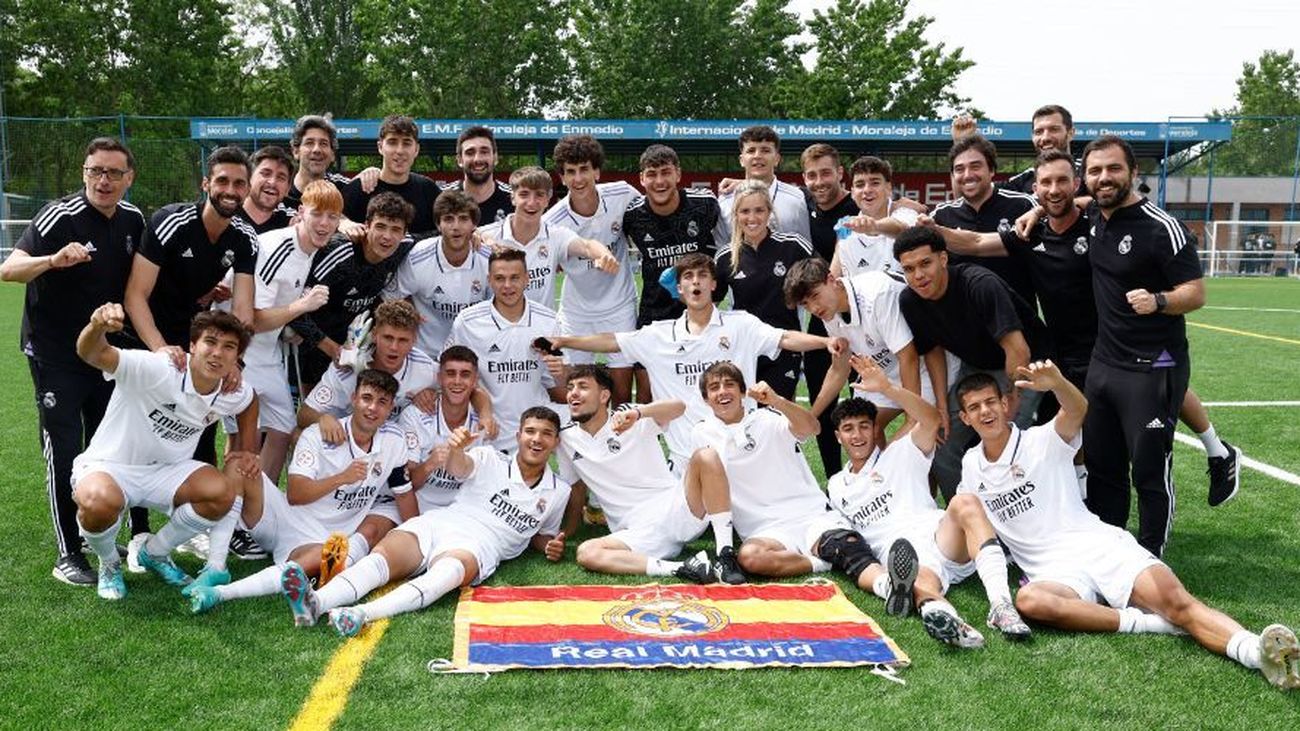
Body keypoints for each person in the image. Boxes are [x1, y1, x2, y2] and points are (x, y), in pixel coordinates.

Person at [956, 363, 1299, 691]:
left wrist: (1058, 384)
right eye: (974, 407)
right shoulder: (971, 467)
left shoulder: (1040, 440)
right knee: (1030, 601)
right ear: (965, 418)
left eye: (990, 402)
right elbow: (963, 522)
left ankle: (1257, 652)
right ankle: (1151, 624)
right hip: (1053, 573)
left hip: (1098, 546)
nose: (985, 412)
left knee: (1180, 605)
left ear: (1005, 404)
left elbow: (1076, 410)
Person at [928, 149, 1240, 507]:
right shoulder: (1032, 232)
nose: (1054, 187)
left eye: (1063, 180)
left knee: (1135, 435)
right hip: (1060, 348)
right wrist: (930, 230)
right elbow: (979, 243)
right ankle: (1078, 504)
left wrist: (1158, 299)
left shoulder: (1097, 217)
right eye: (1045, 183)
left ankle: (1212, 454)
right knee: (1071, 432)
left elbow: (1109, 194)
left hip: (1118, 346)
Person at [281, 407, 577, 636]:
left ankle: (362, 614)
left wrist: (549, 546)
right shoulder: (489, 457)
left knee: (443, 577)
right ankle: (315, 603)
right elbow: (459, 466)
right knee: (380, 559)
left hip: (481, 545)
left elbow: (541, 535)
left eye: (546, 433)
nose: (536, 439)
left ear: (555, 442)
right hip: (442, 521)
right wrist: (457, 449)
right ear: (519, 436)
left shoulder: (558, 491)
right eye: (530, 431)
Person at [547, 253, 843, 474]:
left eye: (702, 275)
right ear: (679, 288)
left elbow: (785, 339)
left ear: (713, 283)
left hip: (741, 453)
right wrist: (566, 341)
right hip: (686, 460)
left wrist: (824, 342)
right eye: (688, 277)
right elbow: (612, 340)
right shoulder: (658, 335)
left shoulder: (741, 325)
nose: (696, 281)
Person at [1, 137, 147, 585]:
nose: (103, 180)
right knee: (63, 446)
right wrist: (52, 259)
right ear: (84, 173)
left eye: (113, 173)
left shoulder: (134, 220)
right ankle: (68, 551)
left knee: (108, 448)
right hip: (55, 354)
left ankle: (96, 533)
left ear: (129, 178)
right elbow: (9, 270)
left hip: (105, 354)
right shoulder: (58, 216)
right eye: (94, 171)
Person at [825, 358, 1030, 647]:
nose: (857, 435)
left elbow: (931, 419)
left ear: (875, 430)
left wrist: (887, 388)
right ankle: (943, 614)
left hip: (941, 537)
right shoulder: (835, 486)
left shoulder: (901, 453)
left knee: (965, 502)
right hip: (902, 557)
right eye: (848, 429)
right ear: (838, 436)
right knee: (919, 580)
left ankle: (1001, 606)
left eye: (864, 427)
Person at [188, 369, 412, 614]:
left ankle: (221, 594)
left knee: (326, 555)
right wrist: (342, 478)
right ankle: (215, 567)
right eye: (367, 398)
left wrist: (418, 535)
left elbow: (403, 492)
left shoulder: (394, 441)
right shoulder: (318, 434)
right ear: (353, 399)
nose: (372, 408)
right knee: (238, 464)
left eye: (382, 402)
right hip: (284, 517)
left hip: (323, 539)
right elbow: (295, 494)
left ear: (391, 409)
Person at [72, 306, 258, 600]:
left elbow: (249, 402)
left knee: (221, 493)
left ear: (237, 359)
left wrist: (247, 450)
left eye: (229, 347)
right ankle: (109, 563)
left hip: (167, 471)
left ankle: (154, 553)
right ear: (192, 346)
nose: (217, 353)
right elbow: (91, 353)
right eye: (210, 342)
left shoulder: (231, 389)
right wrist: (96, 326)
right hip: (110, 466)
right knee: (97, 501)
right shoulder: (158, 368)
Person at [1078, 135, 1208, 556]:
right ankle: (1109, 550)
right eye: (1095, 171)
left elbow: (1196, 292)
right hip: (1104, 365)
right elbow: (1061, 203)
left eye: (1113, 168)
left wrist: (1159, 301)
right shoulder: (1095, 216)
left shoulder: (1161, 226)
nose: (1104, 178)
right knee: (1102, 467)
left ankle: (1152, 558)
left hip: (1154, 366)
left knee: (1149, 471)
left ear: (1134, 173)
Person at [122, 144, 260, 476]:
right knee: (142, 431)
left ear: (248, 189)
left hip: (194, 337)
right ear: (205, 184)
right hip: (145, 334)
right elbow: (136, 295)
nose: (230, 190)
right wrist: (159, 350)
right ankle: (139, 526)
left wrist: (235, 361)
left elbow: (243, 310)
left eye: (239, 184)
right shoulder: (172, 222)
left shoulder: (245, 239)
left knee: (199, 428)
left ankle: (198, 518)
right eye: (222, 181)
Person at [894, 226, 1051, 499]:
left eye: (925, 264)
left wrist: (1012, 399)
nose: (918, 276)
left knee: (1007, 439)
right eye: (908, 269)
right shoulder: (910, 299)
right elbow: (932, 349)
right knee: (943, 438)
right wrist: (942, 404)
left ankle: (1016, 516)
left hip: (1024, 365)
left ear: (943, 258)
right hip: (976, 366)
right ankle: (965, 512)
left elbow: (1018, 349)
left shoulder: (979, 283)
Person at [558, 365, 741, 583]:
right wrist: (564, 534)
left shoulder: (630, 416)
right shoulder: (566, 439)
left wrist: (638, 413)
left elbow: (678, 407)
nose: (573, 393)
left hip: (677, 509)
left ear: (604, 395)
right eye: (570, 388)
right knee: (587, 552)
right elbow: (576, 488)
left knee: (706, 456)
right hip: (637, 532)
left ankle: (725, 556)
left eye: (583, 387)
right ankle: (684, 568)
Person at [690, 364, 845, 587]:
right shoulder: (701, 432)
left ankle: (837, 552)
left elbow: (813, 428)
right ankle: (824, 563)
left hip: (807, 515)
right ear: (706, 399)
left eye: (730, 385)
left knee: (850, 544)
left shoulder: (769, 418)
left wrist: (777, 401)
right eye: (714, 387)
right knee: (751, 558)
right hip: (763, 531)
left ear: (743, 392)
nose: (722, 391)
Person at [233, 180, 341, 482]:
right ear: (301, 212)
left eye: (332, 217)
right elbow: (249, 319)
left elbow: (278, 307)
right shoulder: (276, 247)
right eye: (317, 214)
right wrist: (300, 307)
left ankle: (261, 509)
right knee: (245, 440)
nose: (324, 223)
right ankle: (232, 516)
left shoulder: (310, 250)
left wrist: (287, 328)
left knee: (282, 429)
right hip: (242, 353)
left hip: (269, 352)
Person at [783, 256, 951, 446]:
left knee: (910, 439)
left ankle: (883, 473)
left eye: (815, 296)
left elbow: (908, 357)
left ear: (831, 280)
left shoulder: (877, 294)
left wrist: (912, 419)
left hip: (925, 369)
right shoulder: (827, 309)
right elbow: (839, 370)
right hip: (884, 376)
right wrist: (811, 416)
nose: (813, 308)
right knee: (865, 430)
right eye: (805, 304)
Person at [542, 135, 640, 404]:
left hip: (619, 306)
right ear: (561, 177)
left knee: (620, 395)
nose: (578, 178)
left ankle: (620, 444)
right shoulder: (552, 222)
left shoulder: (623, 193)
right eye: (570, 172)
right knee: (579, 393)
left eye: (584, 169)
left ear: (596, 171)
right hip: (577, 313)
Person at [622, 144, 723, 402]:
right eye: (652, 174)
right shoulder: (632, 216)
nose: (659, 181)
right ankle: (647, 441)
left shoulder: (705, 205)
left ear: (678, 174)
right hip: (654, 311)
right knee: (646, 391)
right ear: (642, 178)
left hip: (698, 311)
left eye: (665, 172)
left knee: (703, 388)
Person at [290, 192, 416, 392]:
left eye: (395, 230)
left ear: (404, 234)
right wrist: (333, 349)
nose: (387, 237)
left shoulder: (405, 246)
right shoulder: (340, 253)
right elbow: (294, 310)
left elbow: (438, 237)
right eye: (380, 226)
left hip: (356, 344)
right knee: (310, 412)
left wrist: (477, 235)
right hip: (314, 344)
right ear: (366, 225)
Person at [445, 248, 565, 452]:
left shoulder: (548, 321)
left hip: (535, 428)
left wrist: (562, 372)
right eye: (500, 278)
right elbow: (454, 378)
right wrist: (484, 412)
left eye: (515, 278)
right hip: (490, 430)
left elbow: (557, 383)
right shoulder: (468, 322)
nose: (507, 286)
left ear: (527, 278)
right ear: (489, 280)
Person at [714, 179, 815, 398]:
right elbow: (708, 304)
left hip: (785, 344)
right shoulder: (725, 257)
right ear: (736, 215)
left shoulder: (793, 246)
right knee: (745, 415)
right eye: (745, 211)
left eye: (759, 210)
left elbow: (820, 280)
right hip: (743, 348)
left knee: (778, 415)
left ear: (769, 211)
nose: (752, 218)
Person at [477, 165, 618, 311]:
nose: (531, 202)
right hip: (499, 328)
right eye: (524, 194)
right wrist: (474, 236)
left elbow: (587, 246)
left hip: (542, 329)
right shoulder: (489, 234)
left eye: (539, 195)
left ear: (547, 199)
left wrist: (604, 254)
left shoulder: (556, 235)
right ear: (513, 198)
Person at [799, 143, 860, 473]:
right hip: (821, 319)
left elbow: (897, 206)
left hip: (860, 316)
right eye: (812, 175)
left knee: (863, 403)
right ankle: (836, 482)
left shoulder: (856, 207)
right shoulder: (805, 203)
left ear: (840, 173)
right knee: (824, 403)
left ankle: (866, 477)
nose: (819, 181)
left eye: (826, 173)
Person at [930, 134, 1038, 310]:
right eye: (959, 169)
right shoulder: (941, 216)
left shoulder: (1023, 205)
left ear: (992, 170)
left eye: (975, 166)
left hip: (1019, 320)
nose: (967, 175)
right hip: (965, 324)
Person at [384, 190, 489, 360]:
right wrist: (408, 312)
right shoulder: (417, 257)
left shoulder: (488, 259)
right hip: (424, 354)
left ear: (474, 224)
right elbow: (390, 297)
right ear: (438, 225)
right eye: (448, 219)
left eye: (463, 219)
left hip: (474, 354)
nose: (456, 227)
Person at [390, 345, 482, 515]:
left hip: (464, 514)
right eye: (450, 373)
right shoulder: (414, 416)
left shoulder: (483, 423)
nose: (457, 381)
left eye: (465, 375)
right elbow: (404, 486)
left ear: (475, 380)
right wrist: (430, 464)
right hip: (420, 510)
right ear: (439, 378)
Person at [341, 115, 439, 239]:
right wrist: (342, 222)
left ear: (416, 150)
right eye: (392, 142)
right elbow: (331, 217)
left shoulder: (428, 189)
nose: (399, 150)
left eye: (407, 143)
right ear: (380, 147)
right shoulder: (359, 189)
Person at [714, 125, 810, 246]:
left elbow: (805, 252)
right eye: (751, 150)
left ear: (777, 159)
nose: (757, 156)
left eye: (765, 150)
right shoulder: (726, 202)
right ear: (741, 160)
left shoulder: (796, 199)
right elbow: (720, 252)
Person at [831, 156, 919, 278]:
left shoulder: (907, 214)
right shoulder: (846, 228)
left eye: (875, 183)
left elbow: (901, 229)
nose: (867, 190)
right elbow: (834, 276)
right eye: (860, 184)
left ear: (888, 188)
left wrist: (874, 226)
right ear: (852, 192)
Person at [439, 124, 514, 225]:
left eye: (484, 152)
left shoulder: (514, 198)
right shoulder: (440, 196)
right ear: (459, 160)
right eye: (470, 153)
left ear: (495, 158)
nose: (478, 159)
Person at [284, 114, 351, 209]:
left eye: (323, 143)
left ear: (332, 154)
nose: (317, 150)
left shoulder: (346, 189)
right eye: (309, 143)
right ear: (296, 152)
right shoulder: (279, 193)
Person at [235, 145, 296, 235]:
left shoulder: (292, 221)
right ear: (248, 177)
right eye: (266, 174)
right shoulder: (227, 218)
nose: (272, 182)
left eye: (281, 178)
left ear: (287, 188)